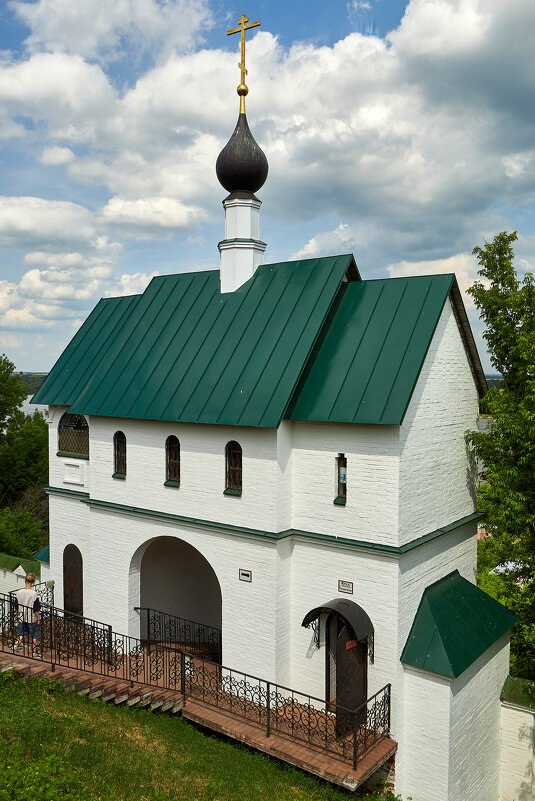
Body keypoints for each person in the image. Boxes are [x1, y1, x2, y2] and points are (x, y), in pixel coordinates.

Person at [13, 572, 42, 658]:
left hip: (22, 616)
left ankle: (14, 647)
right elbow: (36, 609)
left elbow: (16, 606)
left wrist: (17, 615)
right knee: (34, 635)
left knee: (21, 633)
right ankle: (34, 653)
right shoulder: (34, 594)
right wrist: (38, 618)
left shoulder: (19, 592)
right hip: (31, 617)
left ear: (25, 580)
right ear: (32, 582)